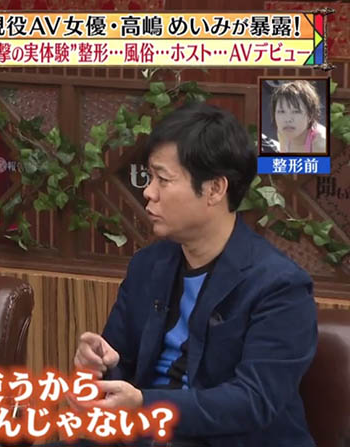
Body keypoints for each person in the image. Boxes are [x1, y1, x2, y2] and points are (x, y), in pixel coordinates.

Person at [72, 103, 317, 446]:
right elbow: (121, 366)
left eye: (163, 179)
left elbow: (253, 401)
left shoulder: (279, 286)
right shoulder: (148, 265)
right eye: (149, 178)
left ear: (215, 189)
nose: (148, 192)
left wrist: (145, 404)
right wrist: (98, 368)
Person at [270, 80, 326, 154]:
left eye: (296, 112)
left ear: (310, 115)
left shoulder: (321, 145)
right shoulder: (283, 131)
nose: (287, 119)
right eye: (281, 111)